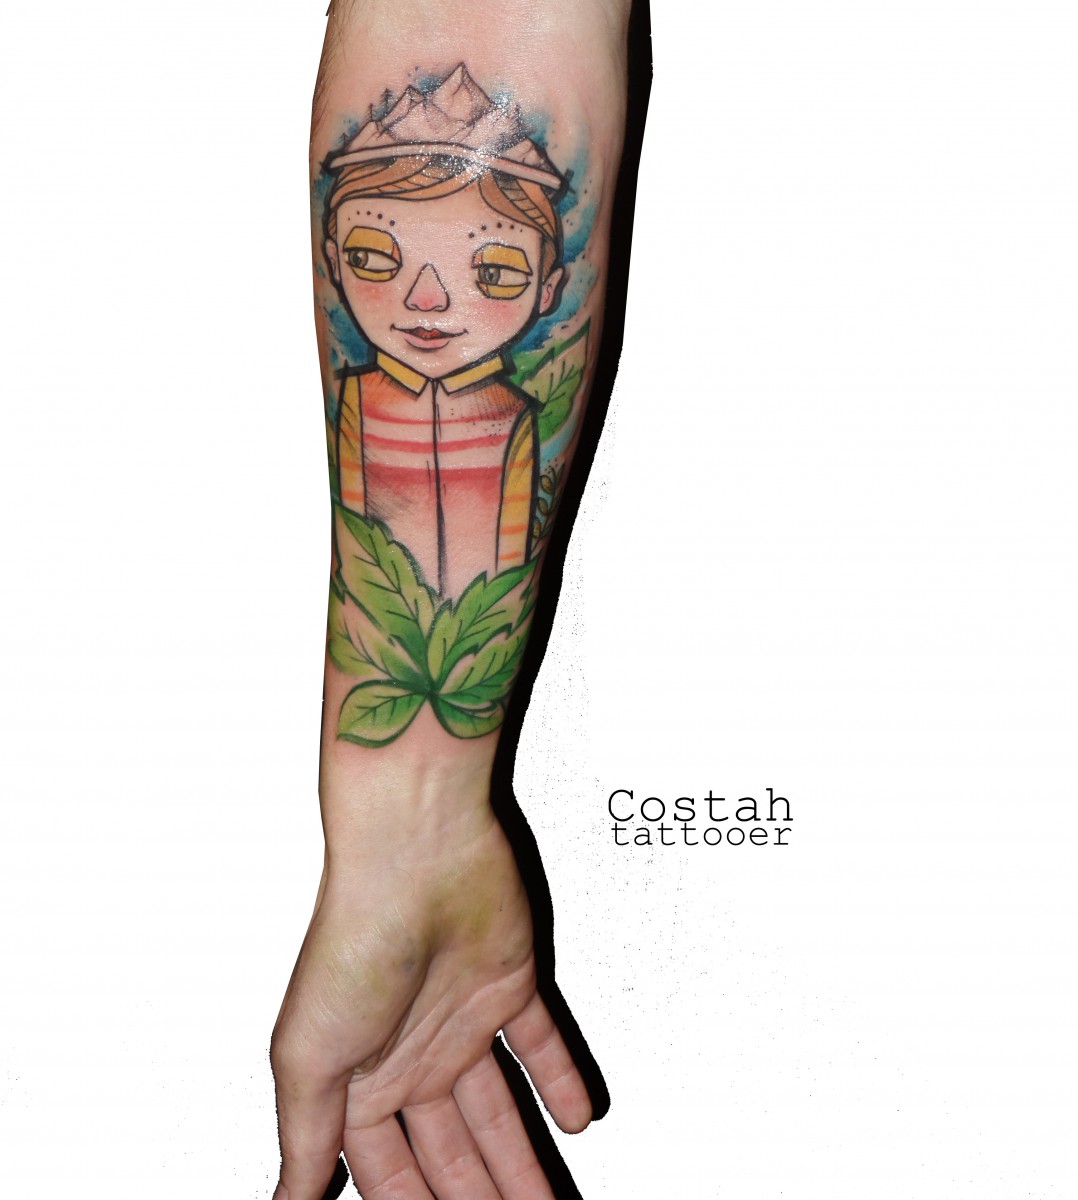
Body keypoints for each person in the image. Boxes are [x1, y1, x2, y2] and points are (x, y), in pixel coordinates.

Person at [271, 4, 631, 1196]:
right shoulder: (369, 405)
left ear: (544, 282)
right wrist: (402, 823)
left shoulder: (508, 417)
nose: (427, 301)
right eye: (376, 260)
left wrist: (410, 817)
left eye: (492, 272)